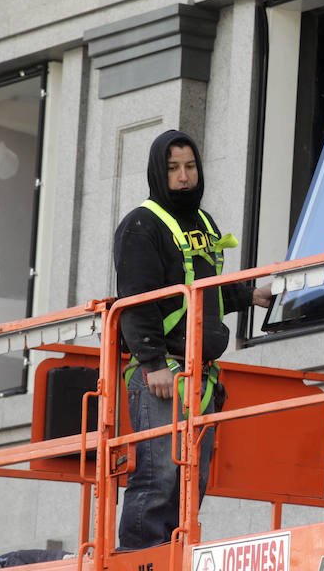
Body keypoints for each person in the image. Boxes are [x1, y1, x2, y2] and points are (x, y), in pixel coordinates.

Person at [114, 129, 272, 548]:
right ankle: (140, 559)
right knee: (157, 477)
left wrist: (248, 294)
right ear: (158, 173)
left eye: (190, 167)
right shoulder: (141, 225)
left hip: (199, 377)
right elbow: (136, 300)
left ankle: (172, 555)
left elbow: (208, 288)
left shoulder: (205, 224)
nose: (184, 177)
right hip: (162, 373)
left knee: (190, 480)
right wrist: (151, 365)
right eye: (173, 169)